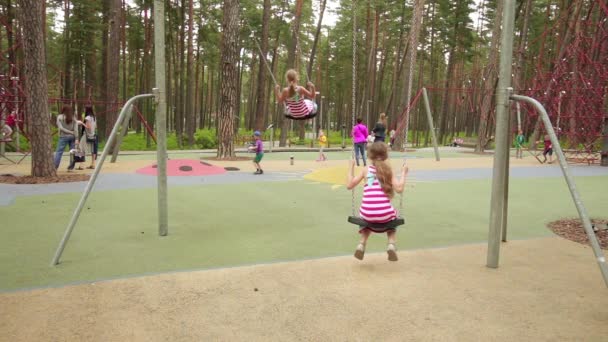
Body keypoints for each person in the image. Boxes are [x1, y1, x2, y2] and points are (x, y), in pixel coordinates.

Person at [346, 142, 408, 261]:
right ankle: (391, 244)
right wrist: (404, 173)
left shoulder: (365, 170)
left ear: (369, 156)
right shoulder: (388, 171)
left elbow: (349, 185)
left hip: (367, 214)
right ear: (385, 156)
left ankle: (361, 244)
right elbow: (399, 189)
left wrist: (351, 167)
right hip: (385, 215)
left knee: (366, 222)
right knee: (392, 224)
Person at [54, 105, 78, 170]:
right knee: (72, 152)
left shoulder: (59, 117)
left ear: (63, 110)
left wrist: (68, 132)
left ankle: (55, 166)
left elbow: (61, 128)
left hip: (63, 137)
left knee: (59, 152)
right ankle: (71, 167)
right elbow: (76, 130)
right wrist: (76, 137)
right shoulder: (74, 118)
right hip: (72, 137)